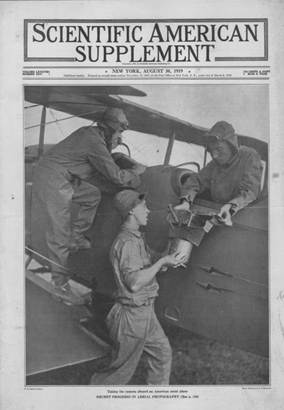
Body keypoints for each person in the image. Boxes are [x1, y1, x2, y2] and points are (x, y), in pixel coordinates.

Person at [31, 108, 145, 293]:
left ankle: (76, 237)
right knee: (59, 231)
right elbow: (116, 176)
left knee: (92, 195)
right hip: (53, 178)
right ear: (109, 128)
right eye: (120, 131)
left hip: (65, 176)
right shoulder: (93, 140)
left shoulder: (93, 135)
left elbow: (98, 174)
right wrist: (136, 172)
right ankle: (59, 283)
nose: (120, 136)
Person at [90, 190, 185, 385]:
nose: (148, 211)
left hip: (144, 313)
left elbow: (151, 264)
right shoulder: (127, 243)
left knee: (162, 354)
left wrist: (170, 249)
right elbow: (134, 283)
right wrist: (162, 263)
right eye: (144, 207)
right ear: (132, 211)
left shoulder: (136, 238)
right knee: (118, 374)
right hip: (131, 317)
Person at [173, 120, 262, 257]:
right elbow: (196, 180)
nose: (214, 155)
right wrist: (186, 201)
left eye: (219, 149)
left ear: (232, 146)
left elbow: (250, 191)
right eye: (211, 150)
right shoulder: (216, 163)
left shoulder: (249, 156)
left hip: (234, 215)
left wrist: (230, 206)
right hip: (215, 215)